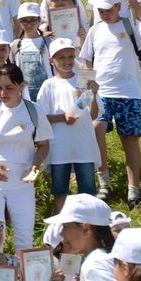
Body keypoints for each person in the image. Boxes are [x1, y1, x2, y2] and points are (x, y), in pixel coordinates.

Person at [78, 0, 141, 208]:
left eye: (108, 10)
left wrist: (139, 9)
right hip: (102, 92)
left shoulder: (130, 25)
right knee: (96, 129)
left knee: (129, 139)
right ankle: (105, 183)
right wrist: (84, 94)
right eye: (100, 11)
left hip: (129, 92)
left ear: (118, 7)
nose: (104, 14)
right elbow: (87, 62)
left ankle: (133, 190)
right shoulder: (95, 30)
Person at [0, 63, 51, 250]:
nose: (3, 93)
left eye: (9, 88)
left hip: (22, 182)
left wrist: (36, 164)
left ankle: (23, 278)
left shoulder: (34, 111)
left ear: (22, 86)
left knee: (24, 239)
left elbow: (44, 145)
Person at [36, 38, 99, 213]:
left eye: (70, 56)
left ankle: (90, 226)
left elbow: (93, 114)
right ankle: (60, 231)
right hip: (59, 148)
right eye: (61, 58)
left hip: (83, 145)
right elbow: (41, 118)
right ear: (51, 61)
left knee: (87, 190)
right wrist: (63, 117)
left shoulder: (84, 81)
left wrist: (94, 93)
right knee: (60, 191)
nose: (67, 61)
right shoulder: (49, 85)